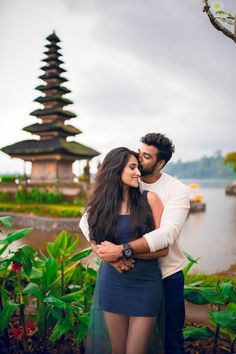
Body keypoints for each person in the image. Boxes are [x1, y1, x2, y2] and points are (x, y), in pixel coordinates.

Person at [80, 133, 190, 354]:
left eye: (146, 157)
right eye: (138, 154)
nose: (139, 161)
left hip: (164, 275)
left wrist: (121, 251)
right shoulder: (126, 187)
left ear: (160, 163)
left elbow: (166, 235)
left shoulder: (174, 190)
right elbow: (86, 222)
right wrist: (107, 256)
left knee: (170, 342)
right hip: (119, 276)